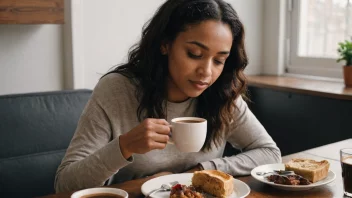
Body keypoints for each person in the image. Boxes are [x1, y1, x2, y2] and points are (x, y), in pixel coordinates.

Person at [55, 0, 281, 193]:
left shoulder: (221, 92)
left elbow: (270, 154)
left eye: (219, 60)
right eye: (194, 54)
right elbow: (64, 184)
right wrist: (124, 146)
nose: (206, 72)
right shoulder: (117, 90)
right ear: (165, 44)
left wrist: (200, 172)